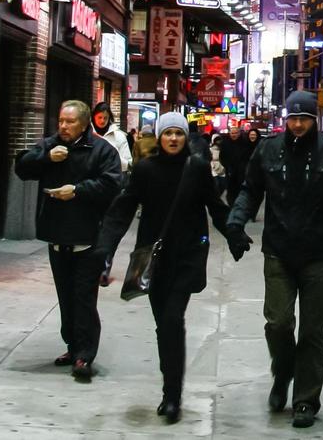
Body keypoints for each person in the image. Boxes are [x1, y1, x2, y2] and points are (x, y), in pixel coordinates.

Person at [225, 90, 323, 429]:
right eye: (293, 119)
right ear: (284, 120)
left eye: (304, 119)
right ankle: (283, 371)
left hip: (317, 254)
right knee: (279, 323)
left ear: (314, 121)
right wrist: (235, 223)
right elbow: (250, 190)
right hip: (278, 251)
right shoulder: (268, 149)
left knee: (314, 332)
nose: (298, 125)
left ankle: (305, 400)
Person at [97, 113, 228, 424]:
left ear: (185, 138)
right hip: (154, 260)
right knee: (163, 326)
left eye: (178, 134)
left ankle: (172, 397)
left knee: (172, 319)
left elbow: (214, 203)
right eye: (167, 133)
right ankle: (170, 384)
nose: (173, 139)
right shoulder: (145, 169)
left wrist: (234, 234)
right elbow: (123, 208)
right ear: (159, 137)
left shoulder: (195, 167)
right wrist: (105, 248)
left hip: (187, 257)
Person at [14, 99, 123, 381]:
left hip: (88, 237)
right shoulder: (51, 146)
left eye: (69, 121)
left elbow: (112, 185)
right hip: (57, 235)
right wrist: (46, 158)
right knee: (66, 297)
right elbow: (22, 167)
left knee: (83, 297)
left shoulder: (102, 150)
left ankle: (85, 355)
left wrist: (76, 190)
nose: (63, 126)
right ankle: (72, 346)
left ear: (84, 123)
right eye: (61, 120)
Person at [92, 102, 133, 287]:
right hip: (90, 189)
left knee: (108, 231)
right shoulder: (86, 133)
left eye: (105, 118)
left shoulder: (118, 137)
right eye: (98, 117)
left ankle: (103, 268)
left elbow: (127, 163)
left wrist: (108, 150)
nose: (101, 121)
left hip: (111, 189)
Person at [217, 122, 253, 206]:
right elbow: (222, 157)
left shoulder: (245, 143)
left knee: (241, 190)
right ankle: (232, 205)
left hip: (241, 172)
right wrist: (227, 166)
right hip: (230, 172)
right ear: (229, 134)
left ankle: (239, 205)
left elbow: (248, 157)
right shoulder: (225, 144)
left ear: (239, 133)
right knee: (230, 191)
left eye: (235, 133)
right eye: (232, 133)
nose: (234, 135)